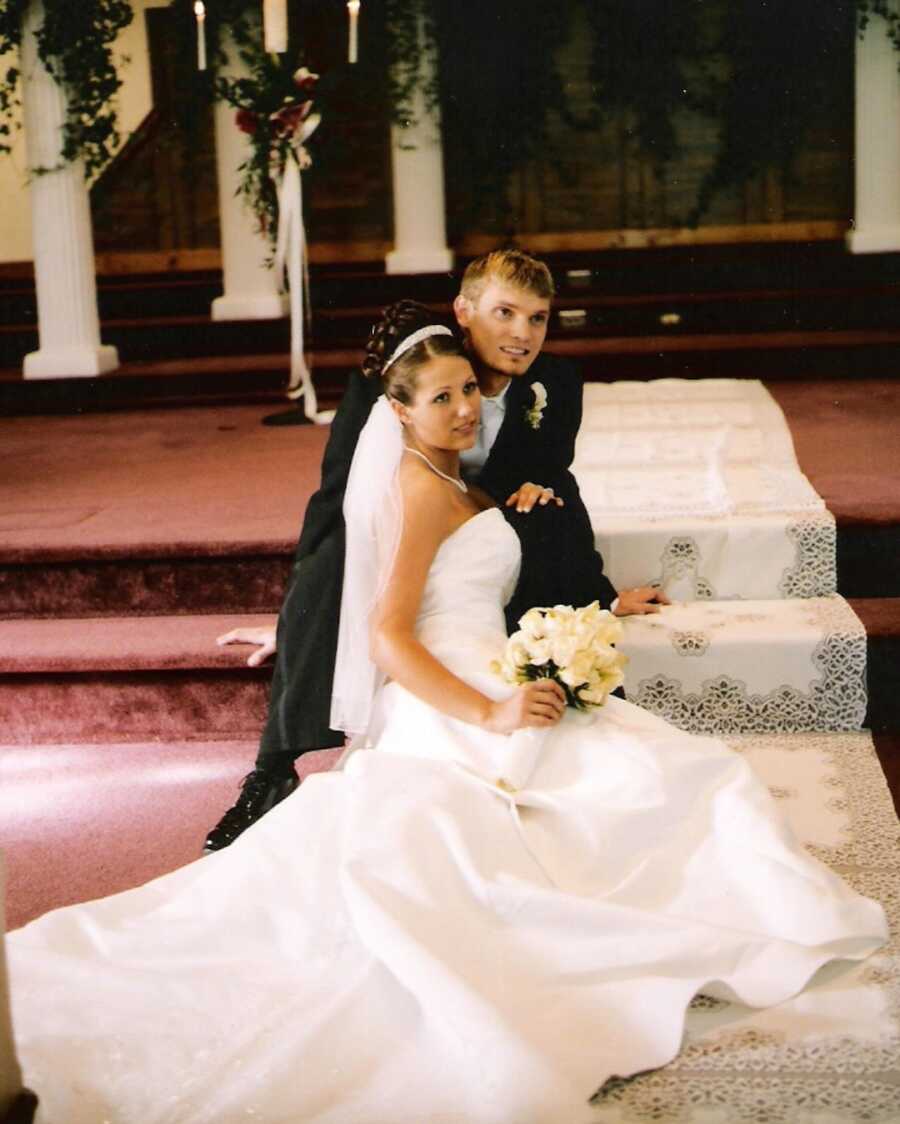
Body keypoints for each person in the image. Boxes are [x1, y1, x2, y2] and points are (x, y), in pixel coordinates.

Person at [6, 320, 886, 1124]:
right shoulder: (420, 490)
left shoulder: (451, 477)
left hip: (489, 663)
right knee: (618, 795)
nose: (465, 407)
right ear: (397, 408)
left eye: (469, 389)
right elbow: (389, 637)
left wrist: (563, 627)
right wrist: (494, 709)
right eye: (441, 397)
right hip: (454, 694)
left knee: (670, 771)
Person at [207, 249, 667, 852]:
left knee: (552, 506)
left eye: (537, 318)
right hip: (403, 519)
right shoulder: (403, 375)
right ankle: (271, 772)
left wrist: (602, 596)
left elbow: (557, 475)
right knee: (332, 557)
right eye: (505, 313)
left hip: (481, 521)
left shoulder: (555, 384)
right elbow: (337, 503)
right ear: (464, 313)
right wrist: (300, 613)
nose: (521, 334)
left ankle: (574, 667)